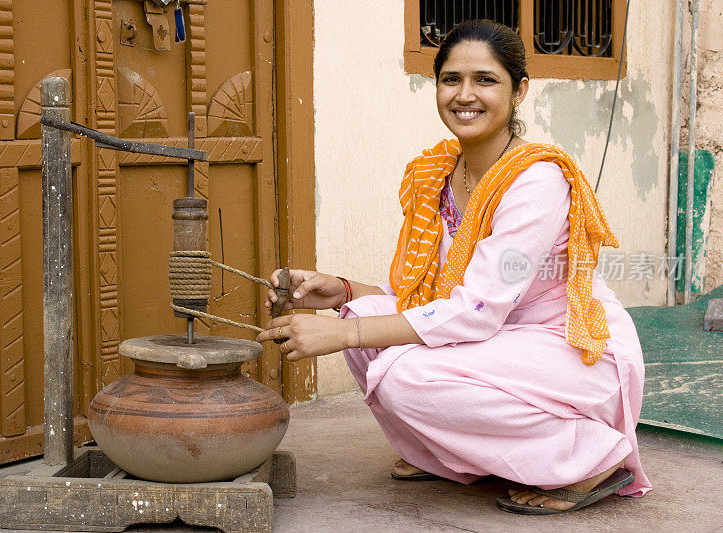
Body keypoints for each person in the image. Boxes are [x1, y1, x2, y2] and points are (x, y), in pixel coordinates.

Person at [256, 19, 651, 514]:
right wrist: (338, 293)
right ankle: (451, 455)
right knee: (363, 319)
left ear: (519, 90)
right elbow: (422, 296)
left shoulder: (537, 182)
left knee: (402, 374)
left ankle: (591, 460)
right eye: (451, 79)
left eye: (486, 80)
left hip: (568, 349)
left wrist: (342, 337)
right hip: (498, 340)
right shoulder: (438, 174)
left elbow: (477, 309)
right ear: (437, 86)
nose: (465, 95)